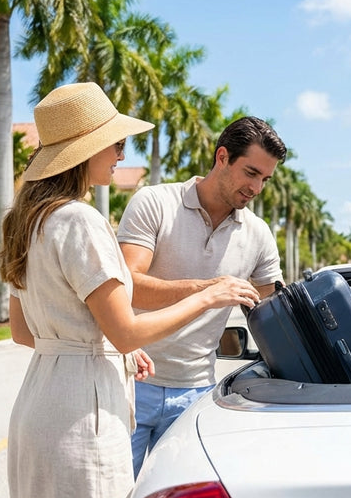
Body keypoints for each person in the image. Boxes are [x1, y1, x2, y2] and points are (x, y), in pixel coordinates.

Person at [0, 83, 261, 498]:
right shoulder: (81, 220)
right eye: (114, 142)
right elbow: (125, 330)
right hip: (84, 415)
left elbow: (22, 331)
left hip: (37, 403)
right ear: (84, 150)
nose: (123, 152)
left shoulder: (26, 221)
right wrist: (208, 296)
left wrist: (102, 347)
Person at [117, 116, 287, 476]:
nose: (257, 188)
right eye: (251, 173)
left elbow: (271, 316)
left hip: (196, 395)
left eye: (265, 179)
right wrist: (207, 289)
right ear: (222, 157)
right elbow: (128, 283)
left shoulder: (258, 234)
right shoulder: (155, 202)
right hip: (132, 382)